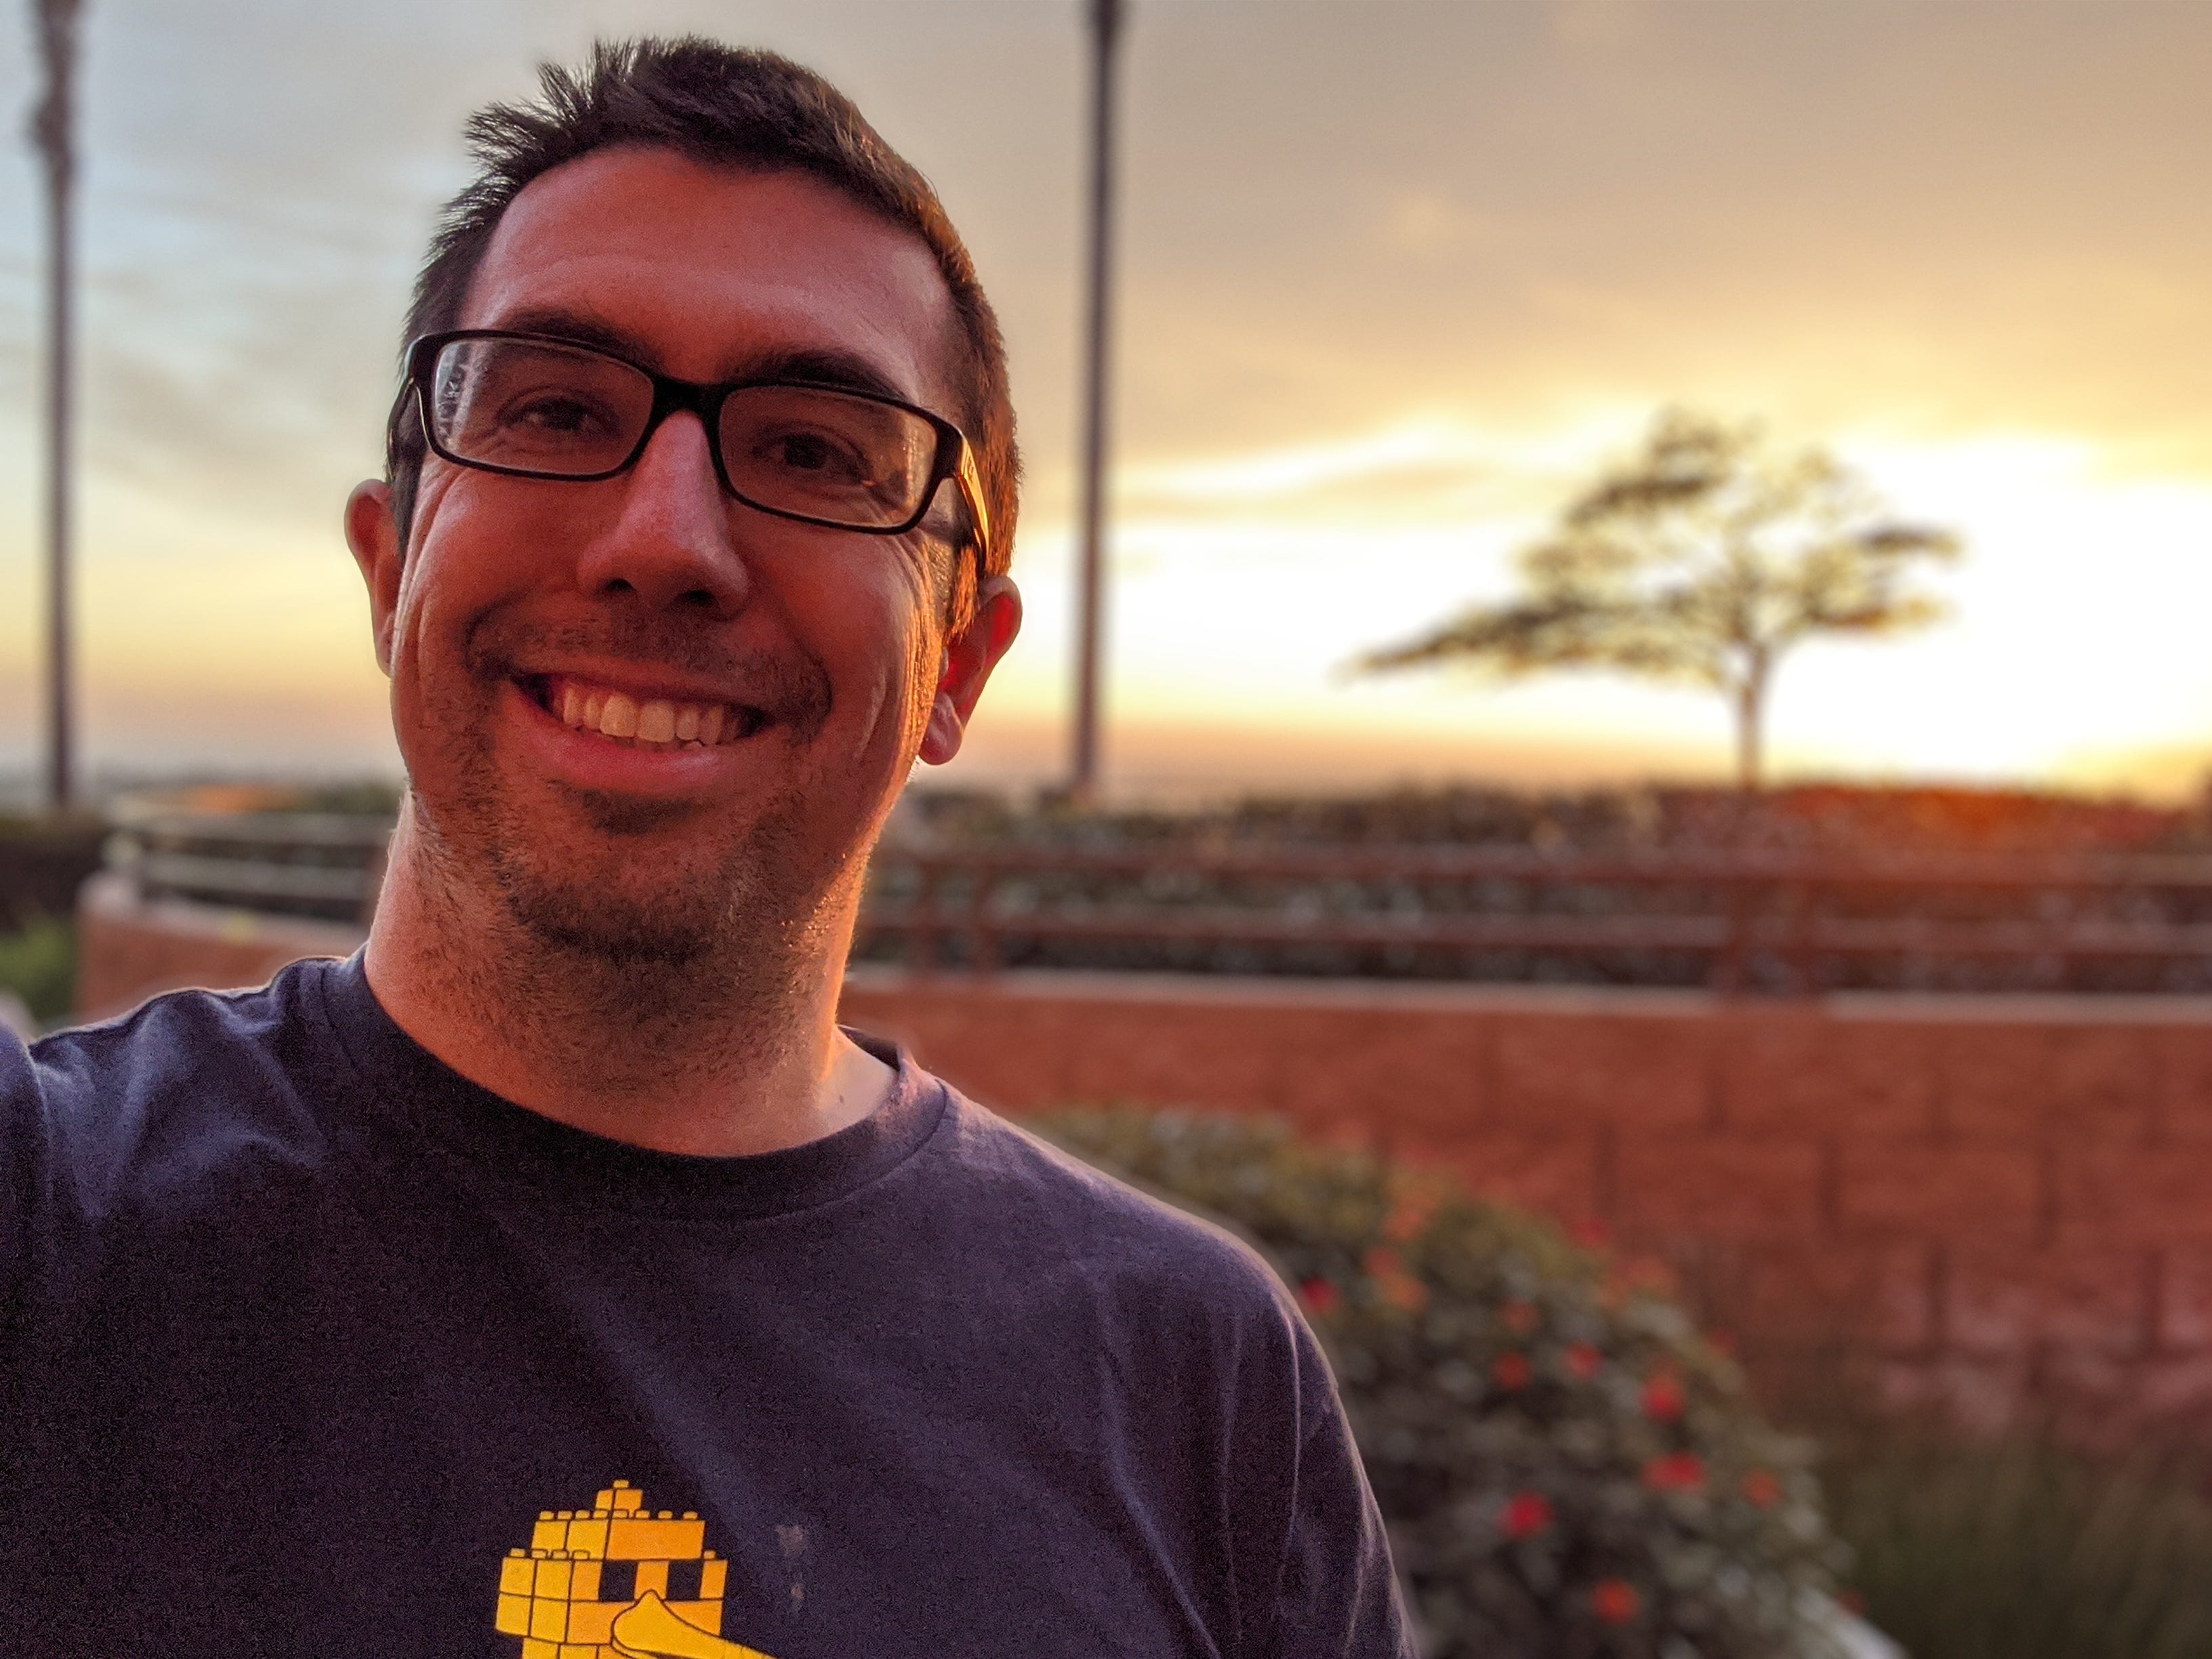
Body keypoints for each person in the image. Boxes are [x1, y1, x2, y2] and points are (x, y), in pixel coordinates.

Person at [0, 38, 1414, 1659]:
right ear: (390, 573)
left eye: (813, 450)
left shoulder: (1196, 1386)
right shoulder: (51, 1228)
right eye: (554, 409)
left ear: (957, 663)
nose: (664, 539)